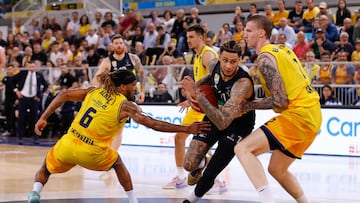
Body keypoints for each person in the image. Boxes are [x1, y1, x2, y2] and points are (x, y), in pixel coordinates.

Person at [27, 69, 210, 203]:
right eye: (133, 85)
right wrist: (187, 129)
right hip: (92, 152)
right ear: (122, 87)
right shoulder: (125, 106)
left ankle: (35, 193)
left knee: (45, 168)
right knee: (118, 163)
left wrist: (43, 118)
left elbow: (64, 93)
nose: (135, 88)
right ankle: (132, 200)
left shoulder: (94, 91)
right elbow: (153, 124)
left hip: (68, 143)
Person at [234, 15, 322, 203]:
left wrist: (247, 105)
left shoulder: (265, 58)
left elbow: (280, 101)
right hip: (312, 114)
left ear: (261, 33)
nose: (244, 34)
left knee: (243, 148)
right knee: (277, 169)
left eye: (249, 30)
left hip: (299, 114)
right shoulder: (282, 50)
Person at [181, 40, 256, 202]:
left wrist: (198, 96)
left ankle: (190, 200)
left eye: (233, 62)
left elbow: (223, 122)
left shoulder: (242, 83)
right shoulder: (214, 65)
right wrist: (192, 91)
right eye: (225, 60)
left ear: (240, 60)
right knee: (188, 164)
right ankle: (201, 163)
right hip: (216, 113)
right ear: (219, 58)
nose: (228, 66)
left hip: (238, 126)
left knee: (211, 172)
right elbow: (210, 78)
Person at [163, 24, 218, 189]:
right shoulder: (197, 55)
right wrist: (191, 98)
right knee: (179, 137)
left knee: (202, 147)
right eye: (187, 38)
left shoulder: (208, 54)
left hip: (208, 107)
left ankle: (216, 180)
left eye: (192, 37)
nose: (188, 40)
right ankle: (181, 177)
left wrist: (196, 91)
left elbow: (215, 78)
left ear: (201, 37)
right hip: (198, 105)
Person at [92, 34, 146, 152]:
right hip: (112, 97)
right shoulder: (107, 61)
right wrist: (96, 91)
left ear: (124, 44)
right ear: (112, 46)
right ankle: (106, 150)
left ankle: (112, 154)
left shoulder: (133, 58)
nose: (119, 45)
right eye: (116, 43)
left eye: (121, 43)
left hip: (128, 98)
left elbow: (142, 73)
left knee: (119, 128)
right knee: (109, 126)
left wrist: (142, 91)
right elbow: (96, 78)